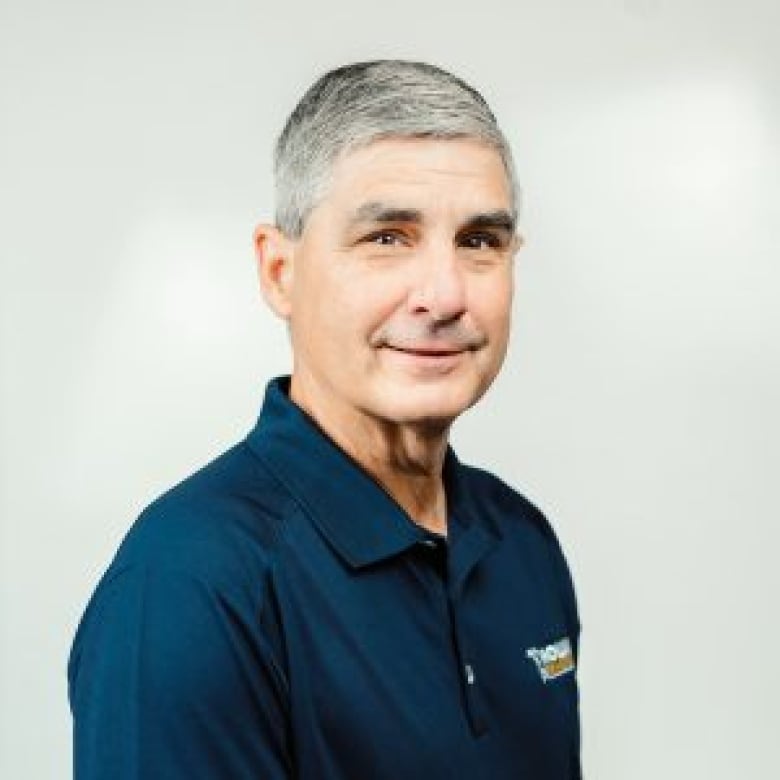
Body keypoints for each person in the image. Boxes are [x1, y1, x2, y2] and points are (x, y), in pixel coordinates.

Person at [68, 60, 581, 779]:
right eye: (387, 238)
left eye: (479, 241)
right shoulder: (191, 586)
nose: (443, 294)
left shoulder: (518, 540)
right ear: (280, 273)